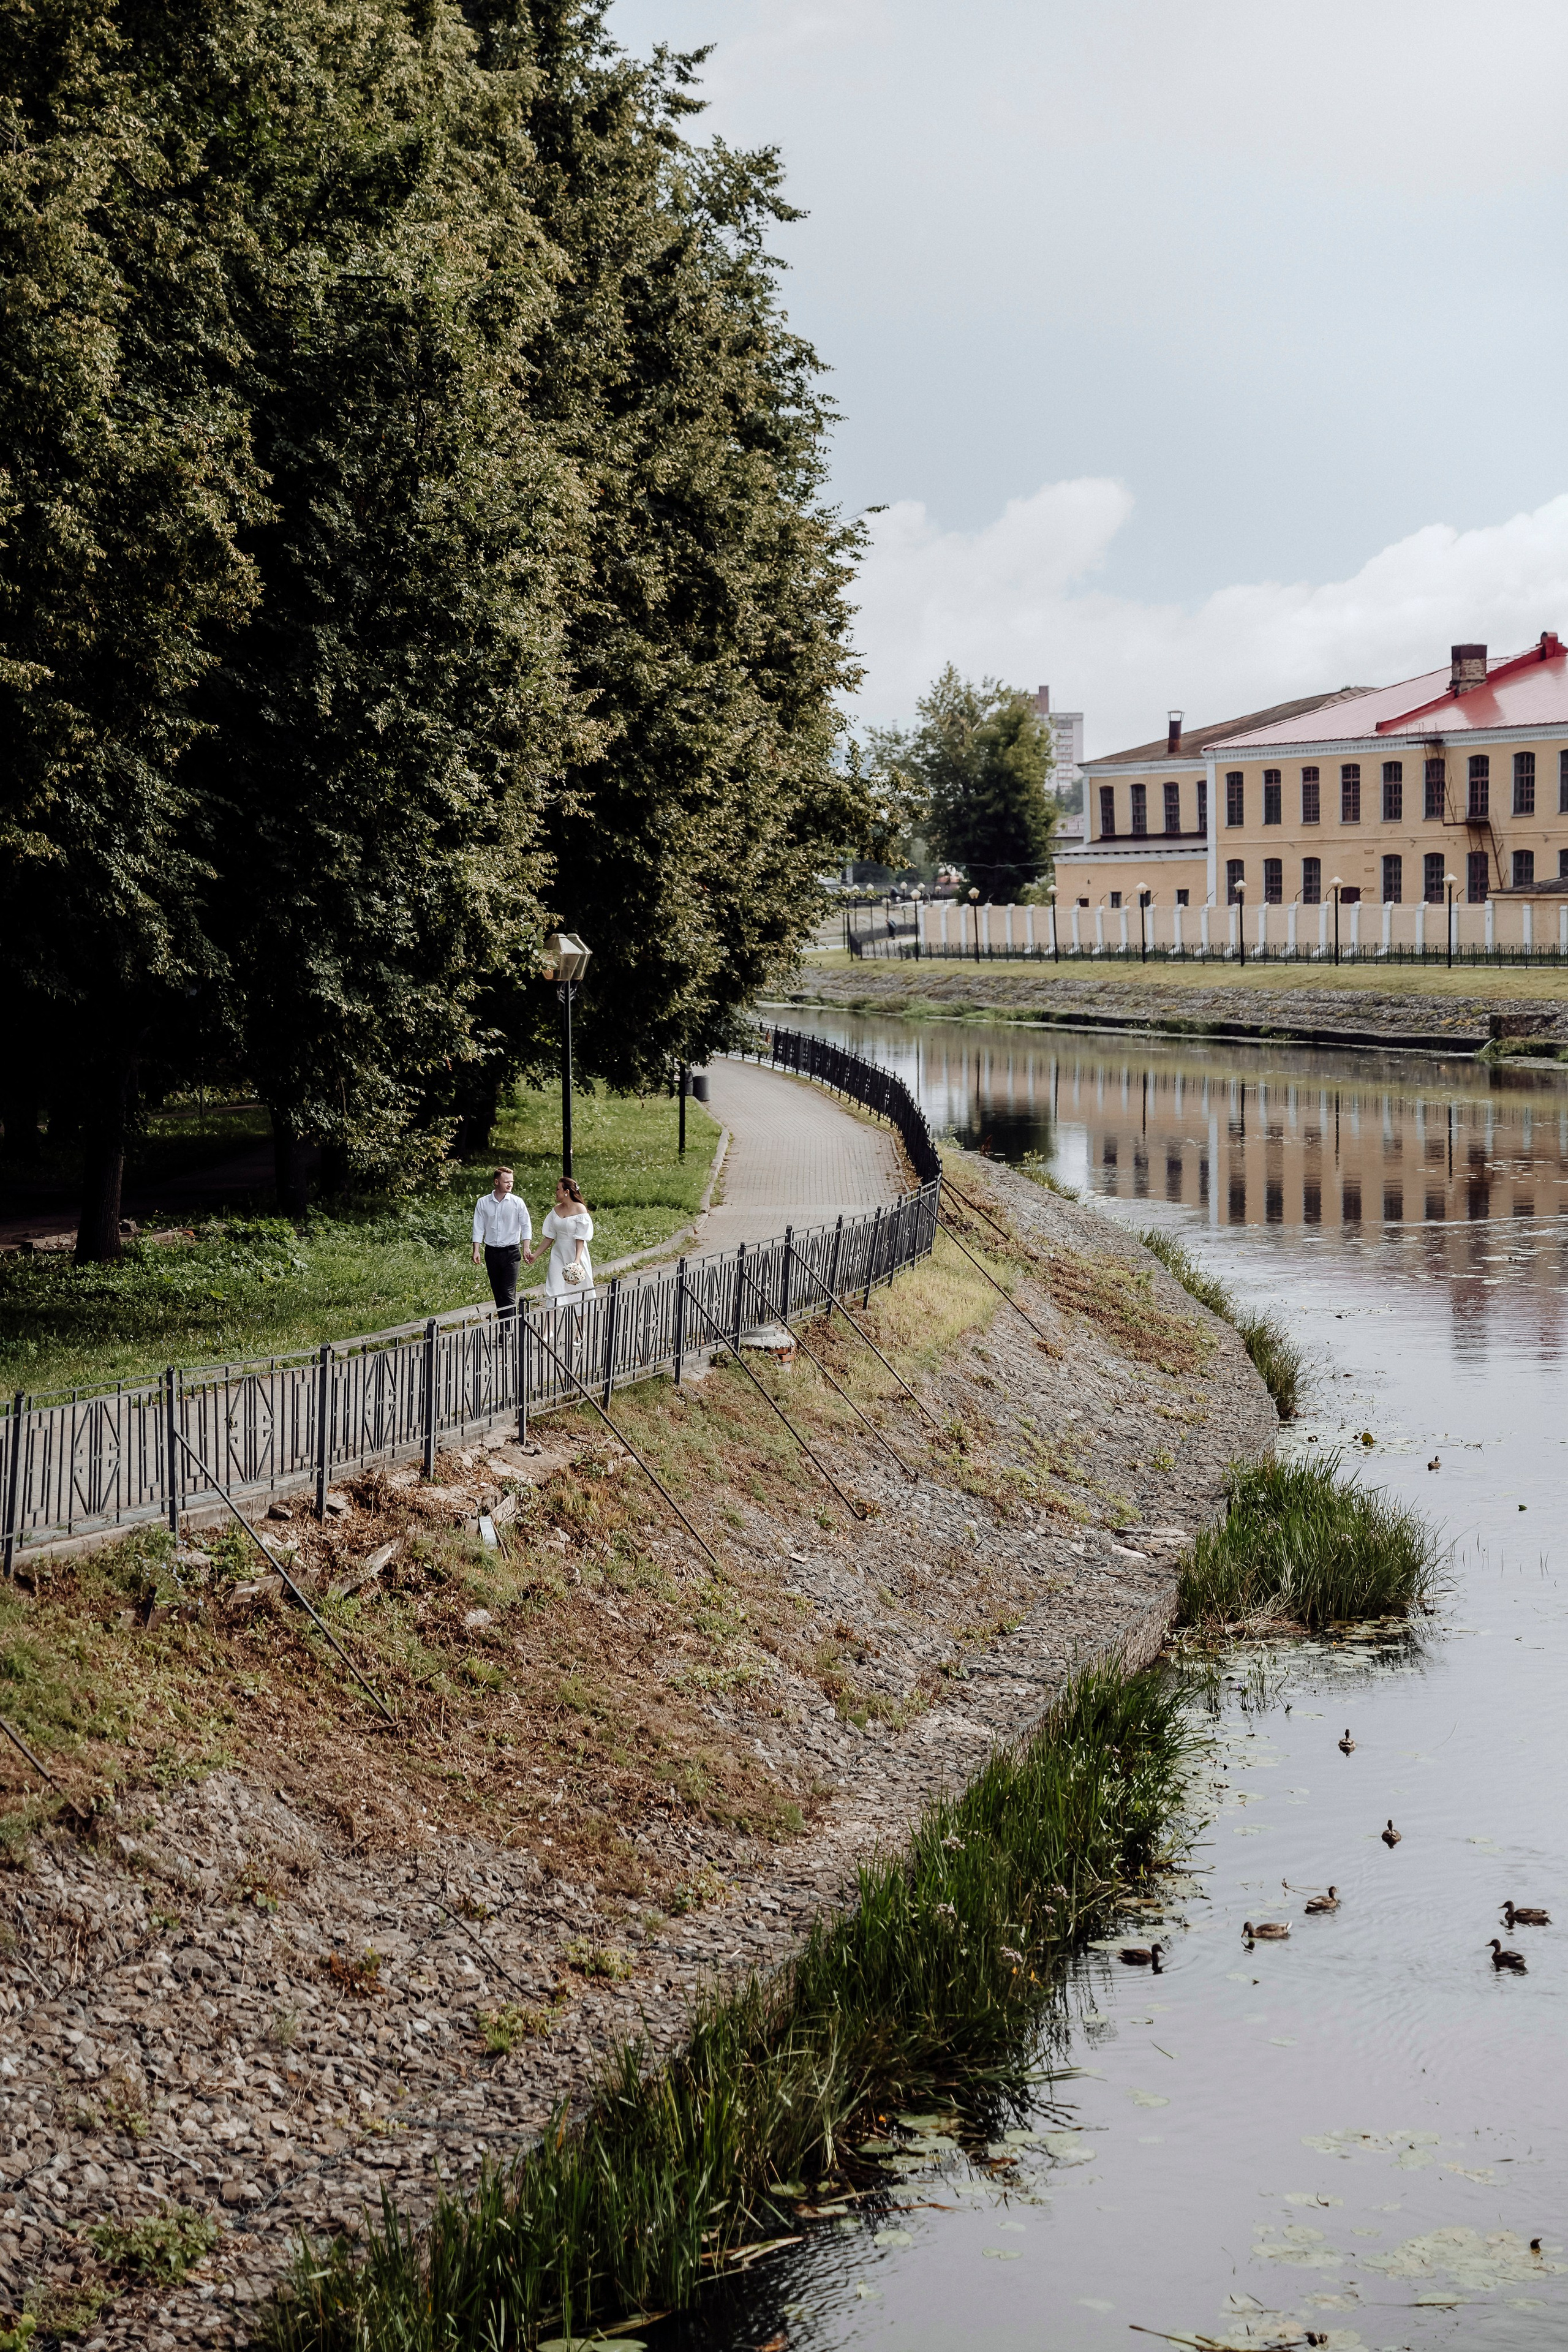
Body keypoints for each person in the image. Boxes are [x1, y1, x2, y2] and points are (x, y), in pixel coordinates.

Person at [541, 1177, 594, 1359]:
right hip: (558, 1253)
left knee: (580, 1291)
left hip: (575, 1253)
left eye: (557, 1189)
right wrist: (535, 1254)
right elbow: (549, 1237)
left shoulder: (580, 1210)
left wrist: (577, 1261)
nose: (555, 1192)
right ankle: (548, 1331)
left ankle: (580, 1331)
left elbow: (581, 1238)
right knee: (553, 1288)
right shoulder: (556, 1211)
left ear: (567, 1192)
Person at [471, 1166, 533, 1319]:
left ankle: (507, 1330)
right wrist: (476, 1249)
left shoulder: (517, 1202)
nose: (510, 1185)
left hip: (511, 1252)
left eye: (512, 1181)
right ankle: (504, 1325)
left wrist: (526, 1247)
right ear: (496, 1182)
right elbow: (478, 1227)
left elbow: (526, 1225)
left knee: (508, 1291)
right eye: (507, 1182)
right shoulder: (483, 1202)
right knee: (498, 1292)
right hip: (492, 1252)